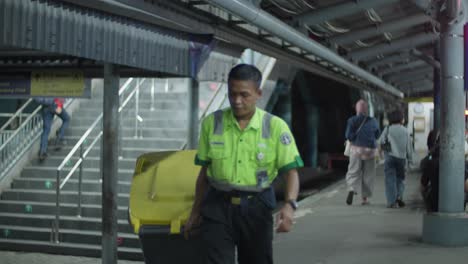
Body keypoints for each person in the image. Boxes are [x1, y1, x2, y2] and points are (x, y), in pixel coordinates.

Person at [184, 64, 303, 264]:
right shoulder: (212, 123)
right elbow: (204, 173)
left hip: (257, 208)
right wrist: (195, 211)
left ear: (258, 93)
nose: (237, 101)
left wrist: (290, 205)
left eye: (244, 95)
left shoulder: (275, 127)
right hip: (217, 207)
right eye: (232, 94)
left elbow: (291, 172)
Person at [344, 99, 380, 206]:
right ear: (367, 110)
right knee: (368, 174)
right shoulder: (373, 120)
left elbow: (348, 136)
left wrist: (355, 137)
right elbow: (377, 135)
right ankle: (365, 199)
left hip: (356, 150)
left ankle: (351, 188)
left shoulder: (352, 120)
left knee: (353, 171)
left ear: (357, 109)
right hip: (370, 151)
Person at [378, 110, 413, 208]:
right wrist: (410, 161)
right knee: (400, 179)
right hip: (401, 159)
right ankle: (399, 197)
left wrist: (381, 154)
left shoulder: (387, 129)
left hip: (389, 157)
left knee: (390, 180)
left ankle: (391, 202)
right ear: (401, 119)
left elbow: (380, 142)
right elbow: (409, 147)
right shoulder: (405, 130)